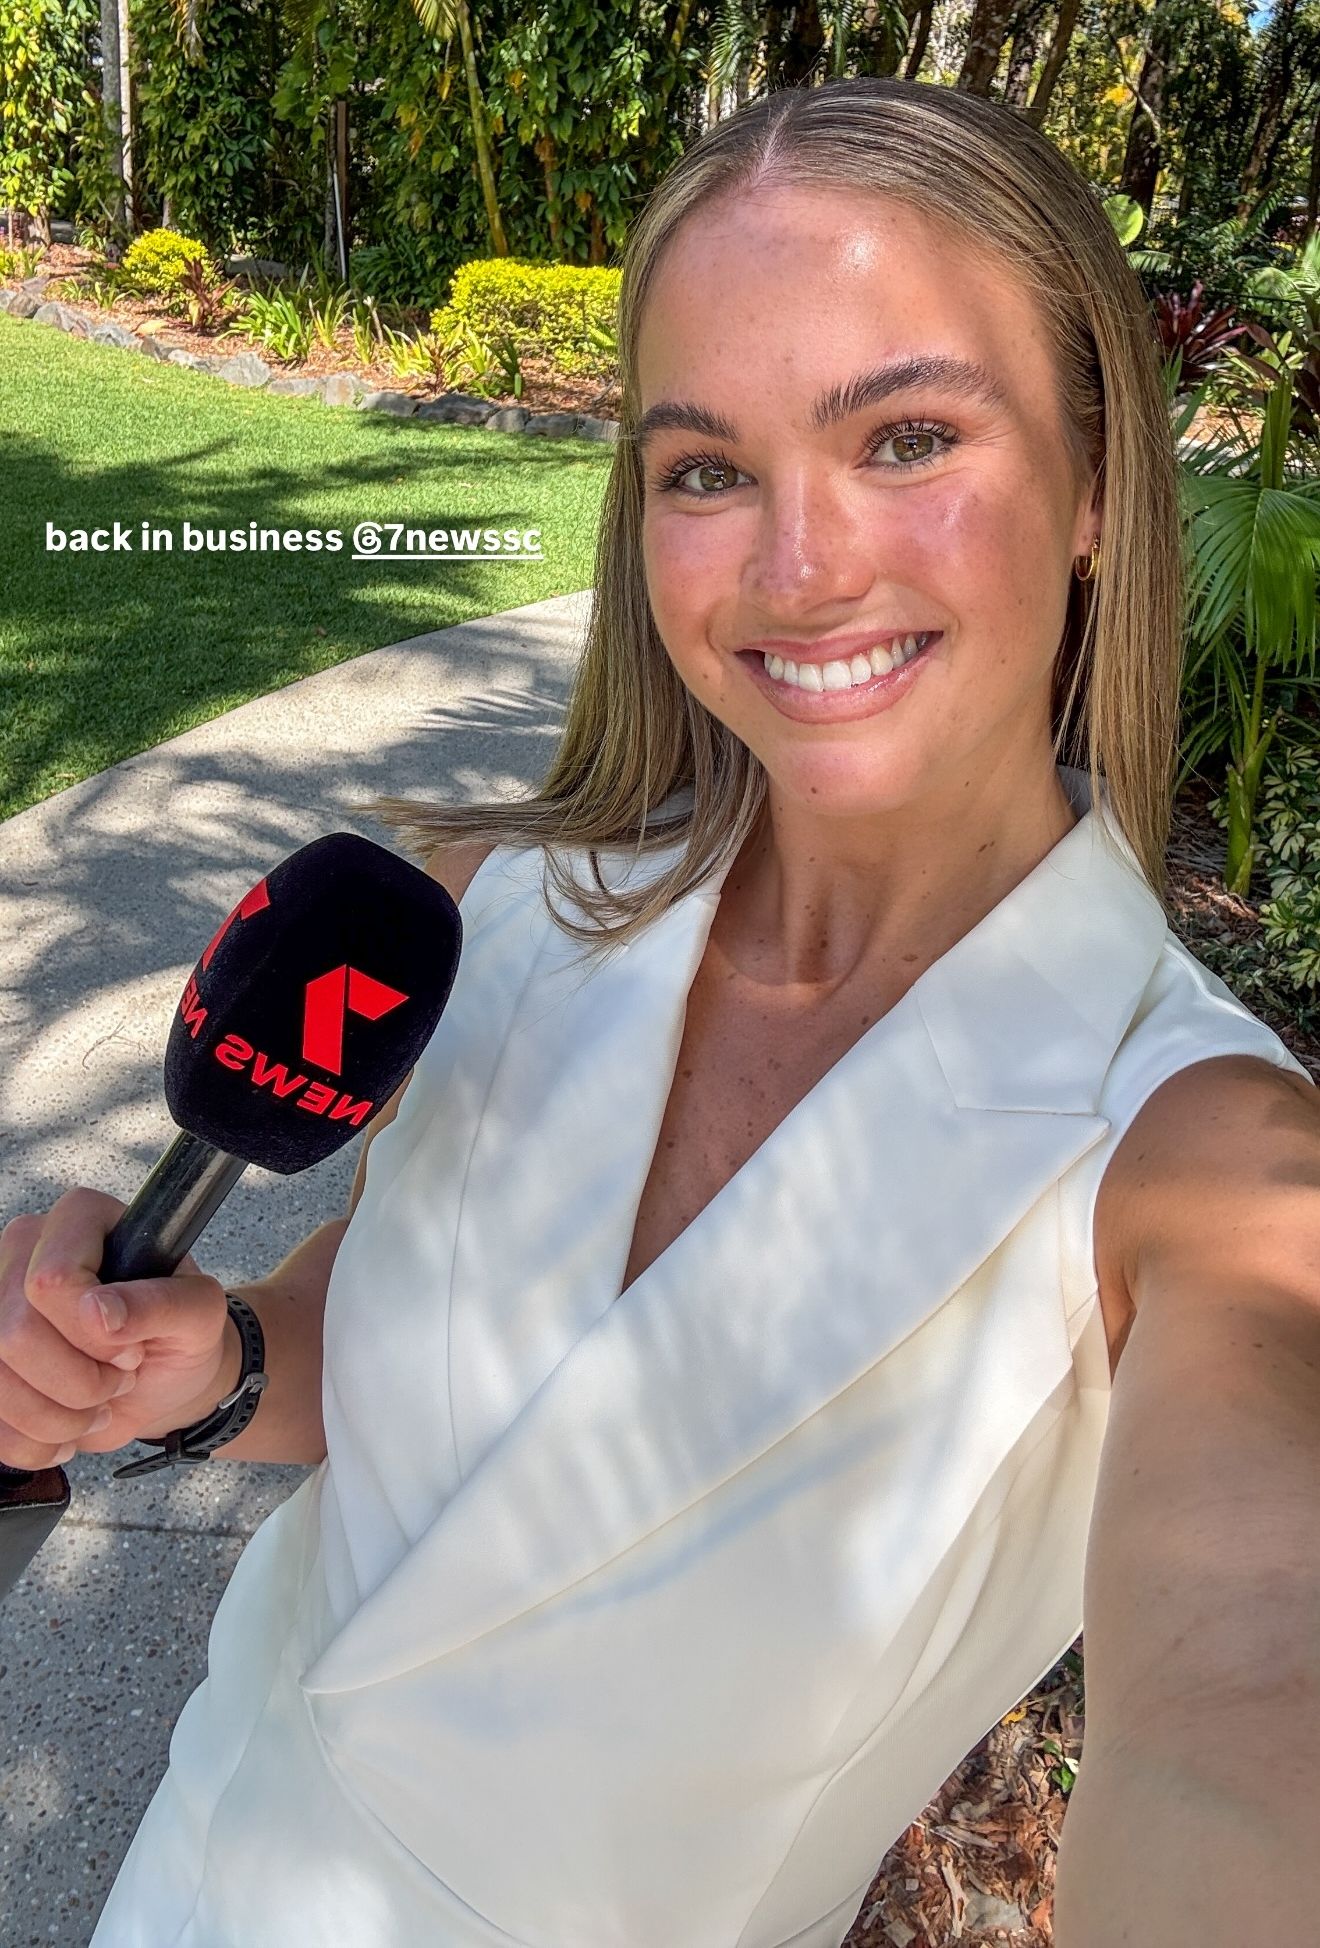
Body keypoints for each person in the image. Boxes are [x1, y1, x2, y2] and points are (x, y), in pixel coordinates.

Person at [2, 75, 1318, 1948]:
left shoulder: (1204, 1162)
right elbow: (383, 1347)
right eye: (707, 469)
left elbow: (1250, 1715)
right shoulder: (487, 906)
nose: (800, 567)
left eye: (909, 437)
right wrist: (200, 1364)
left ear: (1099, 481)